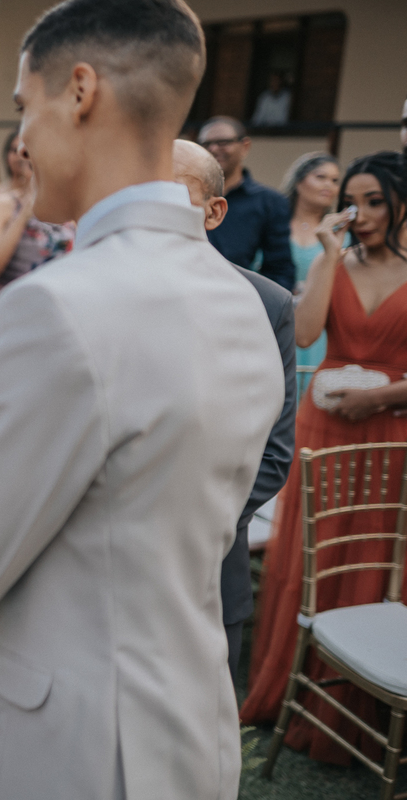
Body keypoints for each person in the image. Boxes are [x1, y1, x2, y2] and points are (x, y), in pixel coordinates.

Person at [0, 1, 286, 797]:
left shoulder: (56, 304)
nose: (22, 140)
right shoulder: (243, 296)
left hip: (77, 745)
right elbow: (116, 499)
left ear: (80, 91)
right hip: (194, 724)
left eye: (25, 106)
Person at [240, 151, 407, 764]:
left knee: (374, 554)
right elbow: (306, 334)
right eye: (354, 201)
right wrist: (329, 259)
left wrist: (389, 396)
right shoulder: (336, 260)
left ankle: (365, 705)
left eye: (375, 202)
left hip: (391, 430)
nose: (359, 215)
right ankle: (294, 698)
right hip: (326, 424)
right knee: (314, 558)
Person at [173, 139, 297, 686]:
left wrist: (198, 524)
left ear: (214, 211)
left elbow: (273, 452)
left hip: (211, 563)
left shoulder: (267, 306)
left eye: (173, 195)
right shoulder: (93, 295)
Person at [0, 127, 75, 323]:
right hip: (9, 310)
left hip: (55, 312)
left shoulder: (69, 209)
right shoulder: (1, 204)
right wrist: (25, 212)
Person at [199, 116, 295, 291]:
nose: (213, 149)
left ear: (245, 146)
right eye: (206, 144)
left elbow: (280, 269)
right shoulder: (185, 195)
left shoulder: (270, 202)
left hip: (237, 300)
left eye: (223, 142)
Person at [282, 151, 341, 368]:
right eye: (321, 177)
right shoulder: (274, 228)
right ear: (299, 181)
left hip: (322, 326)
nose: (329, 185)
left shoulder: (342, 233)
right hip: (278, 319)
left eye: (335, 181)